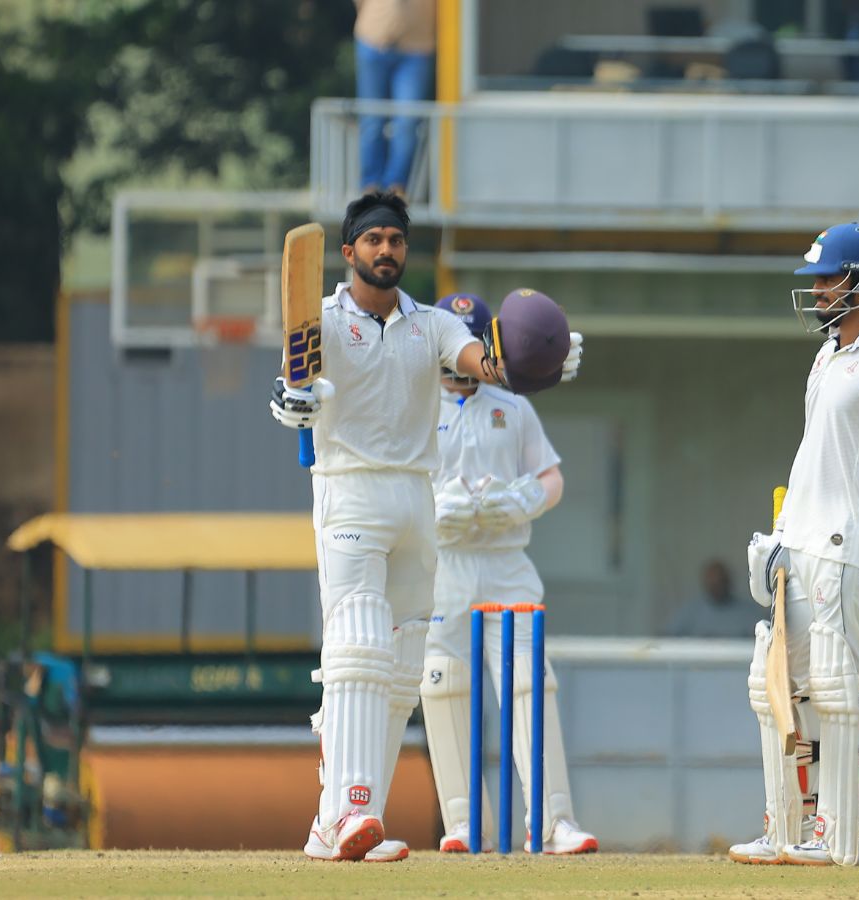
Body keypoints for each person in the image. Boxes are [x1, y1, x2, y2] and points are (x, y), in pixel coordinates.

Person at [266, 192, 582, 862]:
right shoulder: (320, 318)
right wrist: (294, 402)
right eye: (373, 240)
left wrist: (536, 362)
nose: (387, 251)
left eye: (396, 240)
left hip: (417, 497)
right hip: (349, 489)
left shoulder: (432, 325)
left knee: (406, 667)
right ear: (348, 252)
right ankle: (345, 810)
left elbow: (485, 365)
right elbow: (295, 388)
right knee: (357, 642)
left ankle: (351, 822)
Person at [728, 223, 859, 867]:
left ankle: (857, 833)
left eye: (827, 277)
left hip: (849, 547)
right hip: (805, 539)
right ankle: (791, 826)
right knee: (781, 685)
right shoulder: (827, 355)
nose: (815, 289)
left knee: (846, 686)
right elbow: (817, 453)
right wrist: (782, 533)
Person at [420, 292, 597, 855]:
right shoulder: (415, 404)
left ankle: (552, 822)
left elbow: (551, 477)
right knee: (443, 686)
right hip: (442, 566)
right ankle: (463, 822)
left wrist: (525, 499)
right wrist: (431, 508)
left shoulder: (512, 405)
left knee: (529, 682)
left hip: (506, 564)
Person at [354, 0, 436, 195]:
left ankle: (395, 187)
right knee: (372, 119)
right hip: (373, 40)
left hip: (418, 47)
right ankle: (370, 187)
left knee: (407, 122)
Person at [667, 560, 767, 638]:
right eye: (713, 583)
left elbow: (764, 637)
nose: (717, 587)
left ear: (728, 582)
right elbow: (670, 637)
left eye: (720, 582)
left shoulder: (747, 612)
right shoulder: (691, 611)